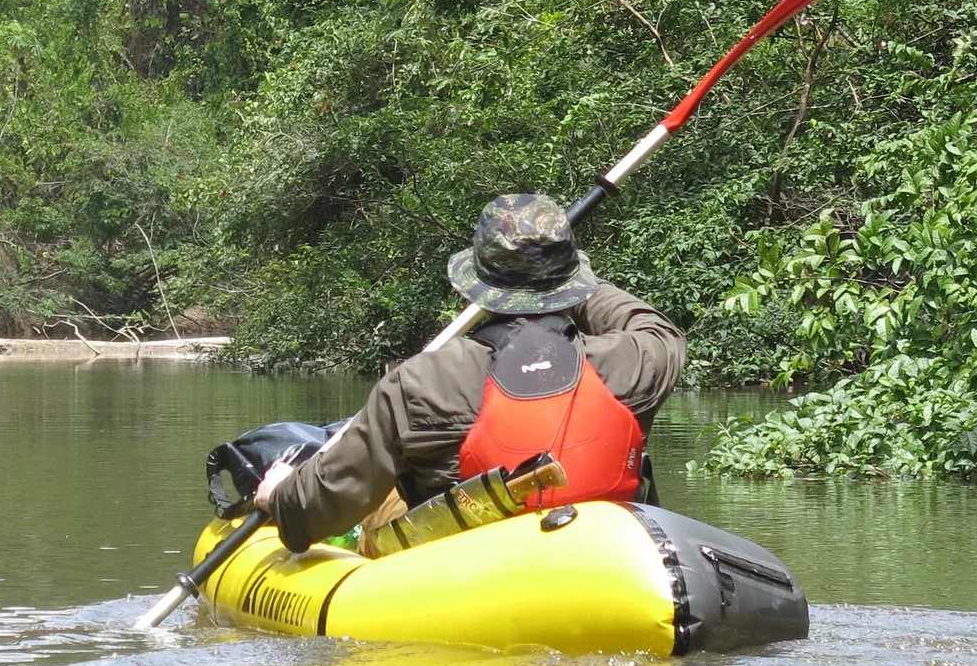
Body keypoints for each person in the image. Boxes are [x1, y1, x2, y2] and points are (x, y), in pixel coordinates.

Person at [253, 192, 686, 552]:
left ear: (478, 285)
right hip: (604, 555)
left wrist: (281, 497)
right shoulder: (638, 362)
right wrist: (568, 282)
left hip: (465, 569)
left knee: (381, 497)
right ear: (574, 285)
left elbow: (318, 510)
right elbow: (652, 325)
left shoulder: (418, 382)